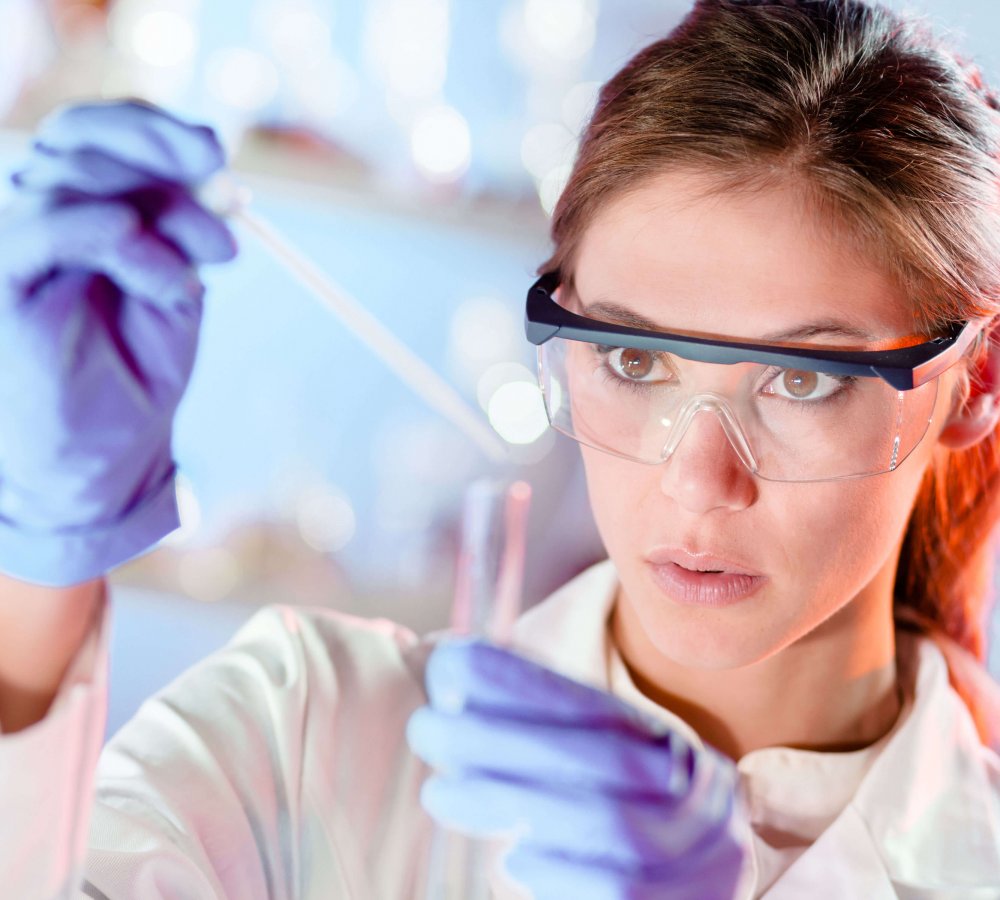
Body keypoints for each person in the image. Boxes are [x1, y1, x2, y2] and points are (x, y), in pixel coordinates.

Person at [1, 0, 1000, 897]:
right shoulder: (302, 732)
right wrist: (35, 583)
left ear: (977, 379)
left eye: (803, 379)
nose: (696, 483)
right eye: (631, 359)